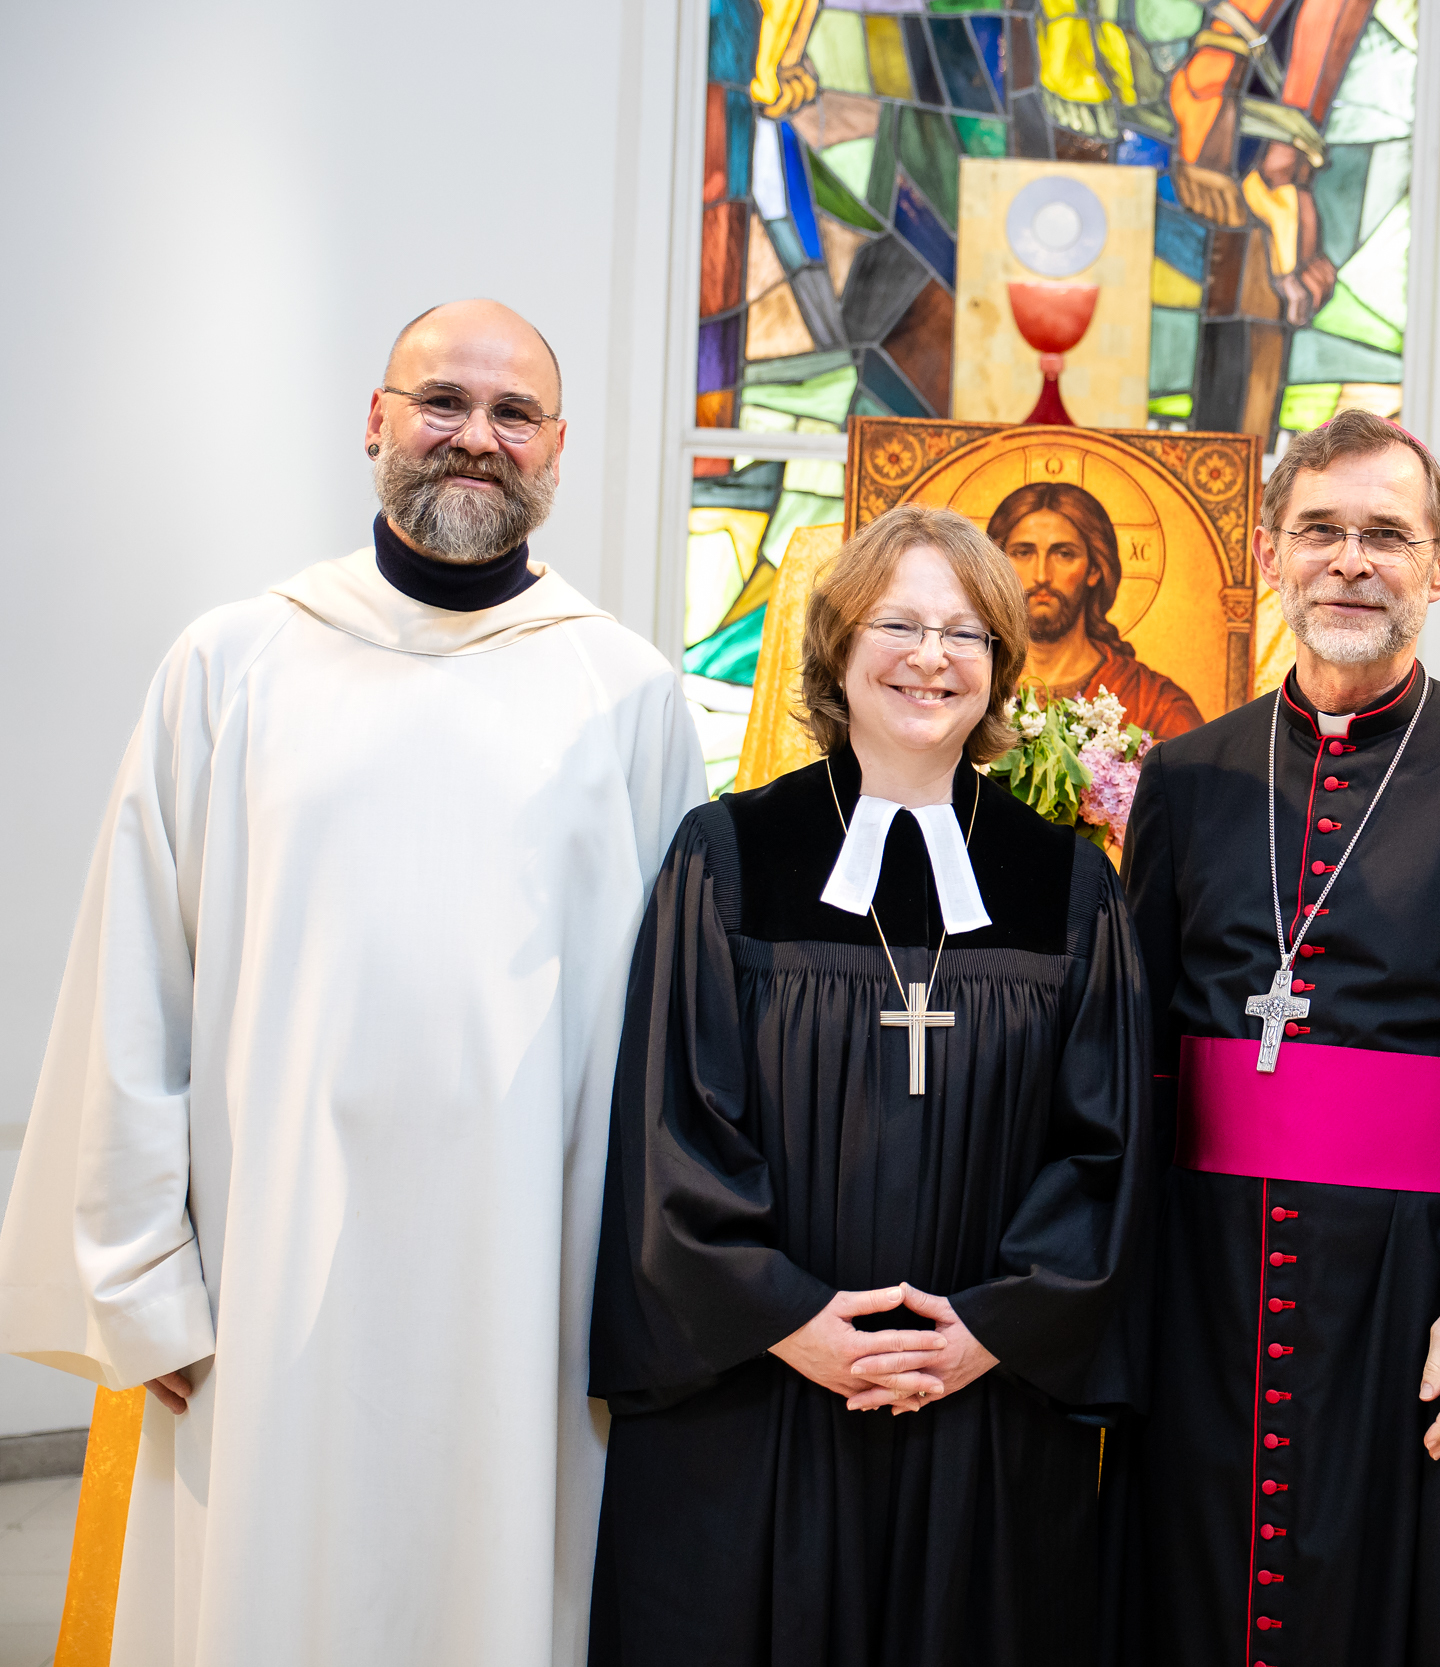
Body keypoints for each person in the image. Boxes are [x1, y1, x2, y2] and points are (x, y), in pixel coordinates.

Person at [0, 299, 707, 1664]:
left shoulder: (624, 692)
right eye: (443, 400)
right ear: (375, 419)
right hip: (267, 1273)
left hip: (528, 1284)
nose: (476, 436)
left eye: (513, 414)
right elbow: (136, 978)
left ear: (558, 449)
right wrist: (142, 1279)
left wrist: (641, 1303)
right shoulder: (232, 662)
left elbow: (671, 1024)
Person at [588, 503, 1153, 1667]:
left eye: (963, 632)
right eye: (897, 623)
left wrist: (988, 1328)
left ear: (999, 664)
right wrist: (790, 1318)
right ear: (838, 645)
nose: (929, 657)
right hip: (763, 1393)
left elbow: (1106, 1145)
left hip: (981, 1401)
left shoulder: (1066, 885)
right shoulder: (729, 854)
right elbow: (670, 1121)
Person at [1115, 411, 1440, 1665]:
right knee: (1189, 1575)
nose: (1349, 560)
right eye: (1320, 529)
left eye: (1386, 534)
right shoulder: (1187, 775)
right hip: (1204, 1270)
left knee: (1385, 1588)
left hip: (1410, 1277)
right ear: (1269, 552)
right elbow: (1137, 1054)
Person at [989, 481, 1205, 738]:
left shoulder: (1156, 705)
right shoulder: (975, 685)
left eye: (1064, 554)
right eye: (1023, 553)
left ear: (1094, 569)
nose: (1042, 575)